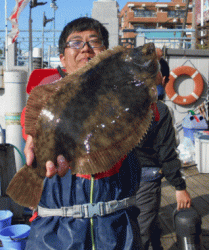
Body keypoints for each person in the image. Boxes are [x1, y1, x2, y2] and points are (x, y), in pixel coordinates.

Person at [24, 17, 143, 250]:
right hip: (54, 233)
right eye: (76, 42)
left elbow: (145, 111)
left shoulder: (126, 94)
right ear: (62, 58)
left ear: (106, 53)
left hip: (117, 230)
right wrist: (33, 137)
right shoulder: (46, 95)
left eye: (95, 42)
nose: (86, 48)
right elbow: (31, 119)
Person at [133, 56, 191, 250]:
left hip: (121, 176)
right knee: (142, 232)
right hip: (146, 179)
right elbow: (166, 152)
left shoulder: (124, 106)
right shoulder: (160, 110)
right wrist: (179, 186)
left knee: (141, 226)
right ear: (162, 79)